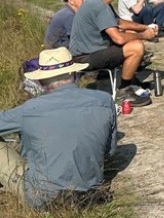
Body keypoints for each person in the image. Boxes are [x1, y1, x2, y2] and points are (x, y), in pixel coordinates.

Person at [0, 47, 117, 209]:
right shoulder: (105, 100)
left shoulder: (30, 109)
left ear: (40, 81)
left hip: (41, 197)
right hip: (90, 191)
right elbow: (108, 152)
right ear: (74, 74)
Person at [69, 0, 156, 107]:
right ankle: (124, 92)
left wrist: (145, 27)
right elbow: (119, 38)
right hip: (84, 57)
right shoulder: (98, 6)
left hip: (93, 51)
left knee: (131, 36)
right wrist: (144, 35)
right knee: (136, 46)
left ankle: (131, 82)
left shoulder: (100, 3)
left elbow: (120, 23)